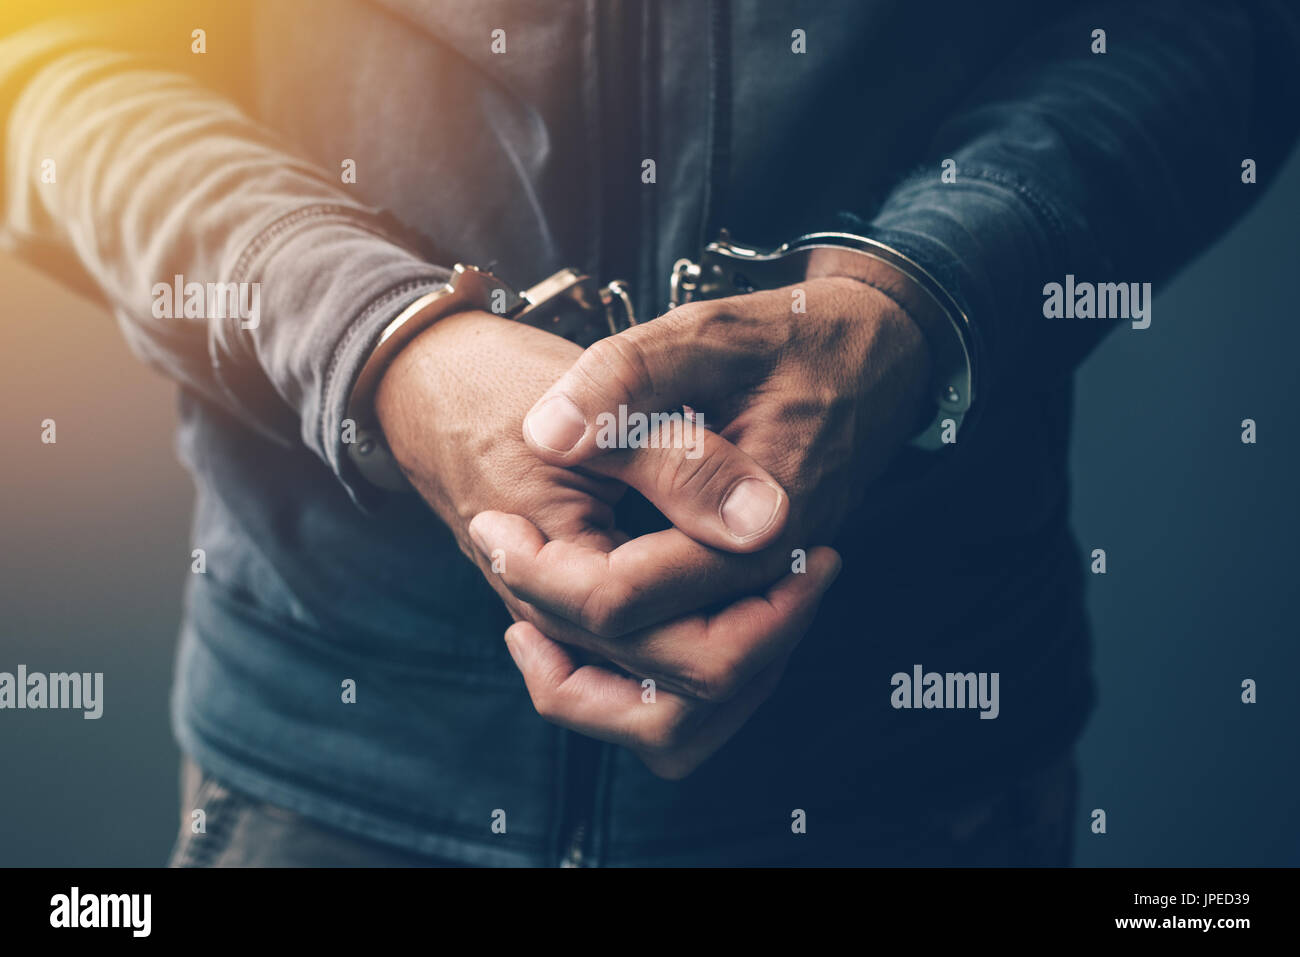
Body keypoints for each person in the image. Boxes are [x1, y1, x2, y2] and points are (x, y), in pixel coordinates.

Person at [2, 0, 1296, 867]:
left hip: (910, 776)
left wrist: (928, 292)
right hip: (326, 776)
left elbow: (1218, 22)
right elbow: (49, 60)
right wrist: (375, 339)